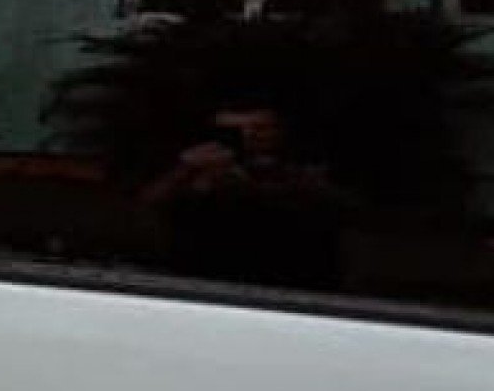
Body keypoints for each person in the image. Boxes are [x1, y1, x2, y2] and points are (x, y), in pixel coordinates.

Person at [140, 105, 346, 290]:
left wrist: (246, 185)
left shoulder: (302, 174)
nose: (249, 136)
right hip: (198, 283)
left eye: (260, 128)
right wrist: (185, 169)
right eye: (236, 131)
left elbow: (336, 211)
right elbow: (148, 208)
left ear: (280, 132)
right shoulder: (196, 168)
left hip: (282, 287)